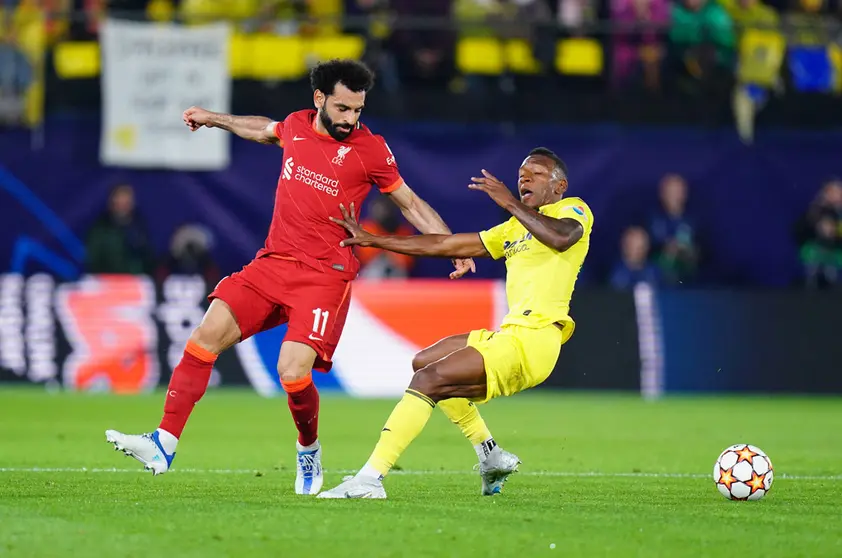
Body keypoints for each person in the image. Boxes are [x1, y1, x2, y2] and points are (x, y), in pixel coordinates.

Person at [105, 59, 476, 496]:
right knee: (205, 335)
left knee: (292, 372)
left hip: (325, 276)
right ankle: (163, 443)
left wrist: (451, 244)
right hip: (272, 264)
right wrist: (213, 119)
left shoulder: (370, 150)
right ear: (318, 99)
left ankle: (309, 448)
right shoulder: (297, 125)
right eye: (342, 108)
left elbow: (409, 203)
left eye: (357, 110)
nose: (350, 119)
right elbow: (263, 128)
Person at [318, 147, 593, 498]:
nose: (524, 177)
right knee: (425, 362)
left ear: (559, 185)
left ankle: (370, 479)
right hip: (509, 335)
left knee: (428, 380)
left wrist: (510, 202)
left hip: (536, 341)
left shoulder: (573, 208)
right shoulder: (513, 229)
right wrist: (376, 240)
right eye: (521, 172)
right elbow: (444, 244)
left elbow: (562, 237)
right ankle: (490, 455)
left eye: (536, 173)